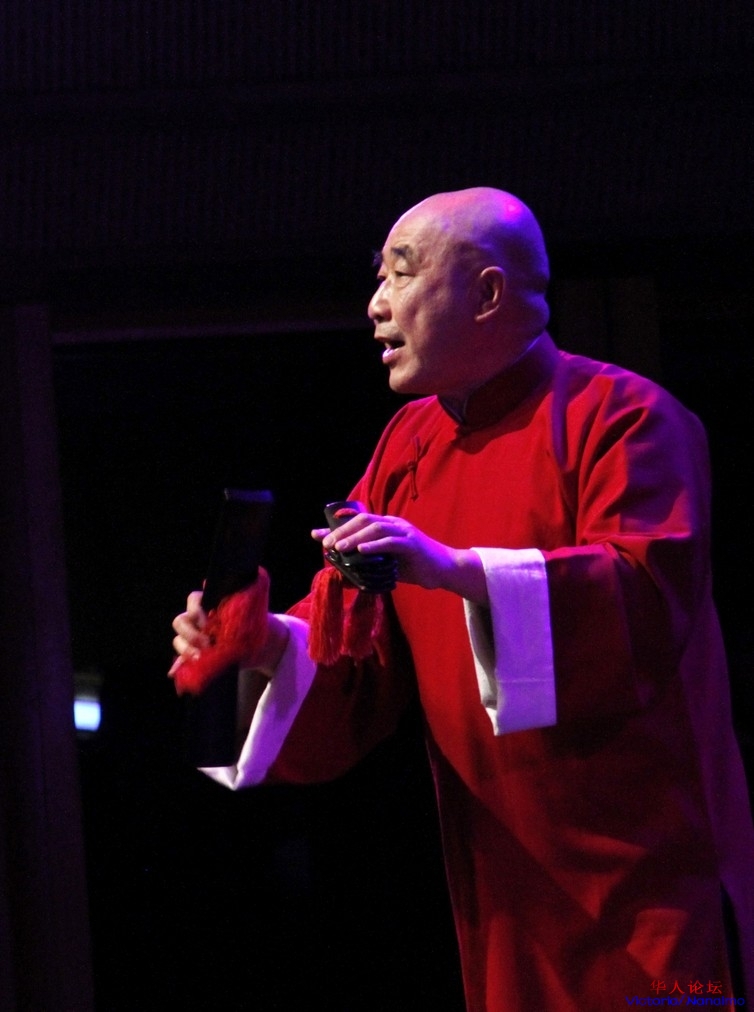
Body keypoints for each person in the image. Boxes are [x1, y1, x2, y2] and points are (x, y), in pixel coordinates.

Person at [171, 187, 754, 1010]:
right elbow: (358, 652)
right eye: (377, 278)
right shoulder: (406, 447)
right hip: (507, 886)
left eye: (401, 273)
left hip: (652, 880)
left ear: (486, 293)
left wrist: (455, 571)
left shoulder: (625, 417)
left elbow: (639, 606)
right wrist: (259, 639)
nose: (375, 304)